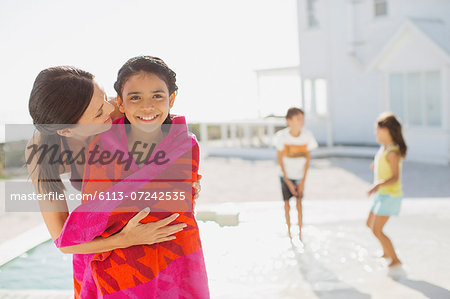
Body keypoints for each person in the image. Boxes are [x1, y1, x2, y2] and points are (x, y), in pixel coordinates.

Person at [26, 66, 201, 294]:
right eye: (99, 112)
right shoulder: (43, 155)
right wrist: (125, 239)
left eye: (104, 98)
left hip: (148, 232)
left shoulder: (116, 110)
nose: (110, 108)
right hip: (105, 247)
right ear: (67, 131)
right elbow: (63, 240)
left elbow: (168, 131)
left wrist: (185, 176)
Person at [366, 112, 407, 268]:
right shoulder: (384, 148)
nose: (375, 133)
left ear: (386, 130)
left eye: (377, 130)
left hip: (390, 195)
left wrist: (377, 185)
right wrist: (376, 165)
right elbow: (383, 162)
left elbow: (395, 177)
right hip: (383, 194)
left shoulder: (392, 152)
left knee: (377, 230)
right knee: (370, 224)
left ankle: (396, 259)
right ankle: (386, 252)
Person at [275, 107, 318, 241]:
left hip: (299, 176)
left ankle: (300, 234)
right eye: (298, 119)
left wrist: (303, 181)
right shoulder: (282, 137)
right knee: (287, 205)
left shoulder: (307, 136)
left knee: (299, 204)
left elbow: (307, 159)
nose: (301, 121)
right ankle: (289, 233)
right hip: (285, 176)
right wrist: (287, 180)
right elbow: (280, 158)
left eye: (302, 118)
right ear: (289, 121)